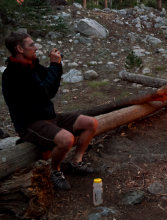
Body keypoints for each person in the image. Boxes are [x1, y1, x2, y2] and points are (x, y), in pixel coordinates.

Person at [2, 32, 98, 190]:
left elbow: (50, 86)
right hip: (31, 124)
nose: (36, 48)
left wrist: (57, 65)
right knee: (67, 139)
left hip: (49, 117)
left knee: (91, 123)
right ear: (19, 48)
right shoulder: (14, 74)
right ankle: (55, 171)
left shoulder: (30, 65)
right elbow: (44, 92)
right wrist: (54, 65)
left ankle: (76, 162)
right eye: (31, 45)